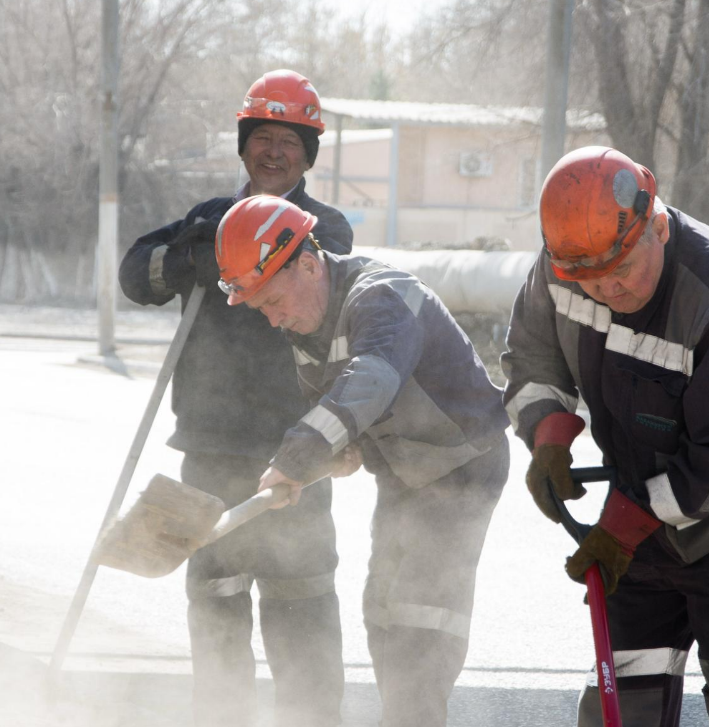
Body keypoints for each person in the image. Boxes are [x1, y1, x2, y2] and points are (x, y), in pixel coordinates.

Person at [501, 146, 709, 726]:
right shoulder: (563, 265)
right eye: (590, 280)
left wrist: (620, 529)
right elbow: (531, 361)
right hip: (640, 499)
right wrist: (548, 439)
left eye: (621, 272)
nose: (609, 293)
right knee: (623, 700)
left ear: (659, 228)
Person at [212, 194, 511, 727]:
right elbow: (339, 419)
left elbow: (369, 380)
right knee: (384, 610)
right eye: (263, 310)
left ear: (307, 263)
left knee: (422, 620)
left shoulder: (383, 297)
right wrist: (328, 458)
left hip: (460, 466)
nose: (275, 319)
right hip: (404, 472)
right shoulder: (306, 329)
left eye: (274, 302)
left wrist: (298, 454)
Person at [118, 70, 350, 727]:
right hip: (211, 446)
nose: (274, 151)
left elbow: (316, 271)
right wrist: (186, 254)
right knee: (215, 600)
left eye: (290, 140)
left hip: (297, 449)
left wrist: (224, 247)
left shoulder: (323, 227)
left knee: (301, 600)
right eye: (262, 137)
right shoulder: (206, 221)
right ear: (244, 145)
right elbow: (138, 274)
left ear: (308, 154)